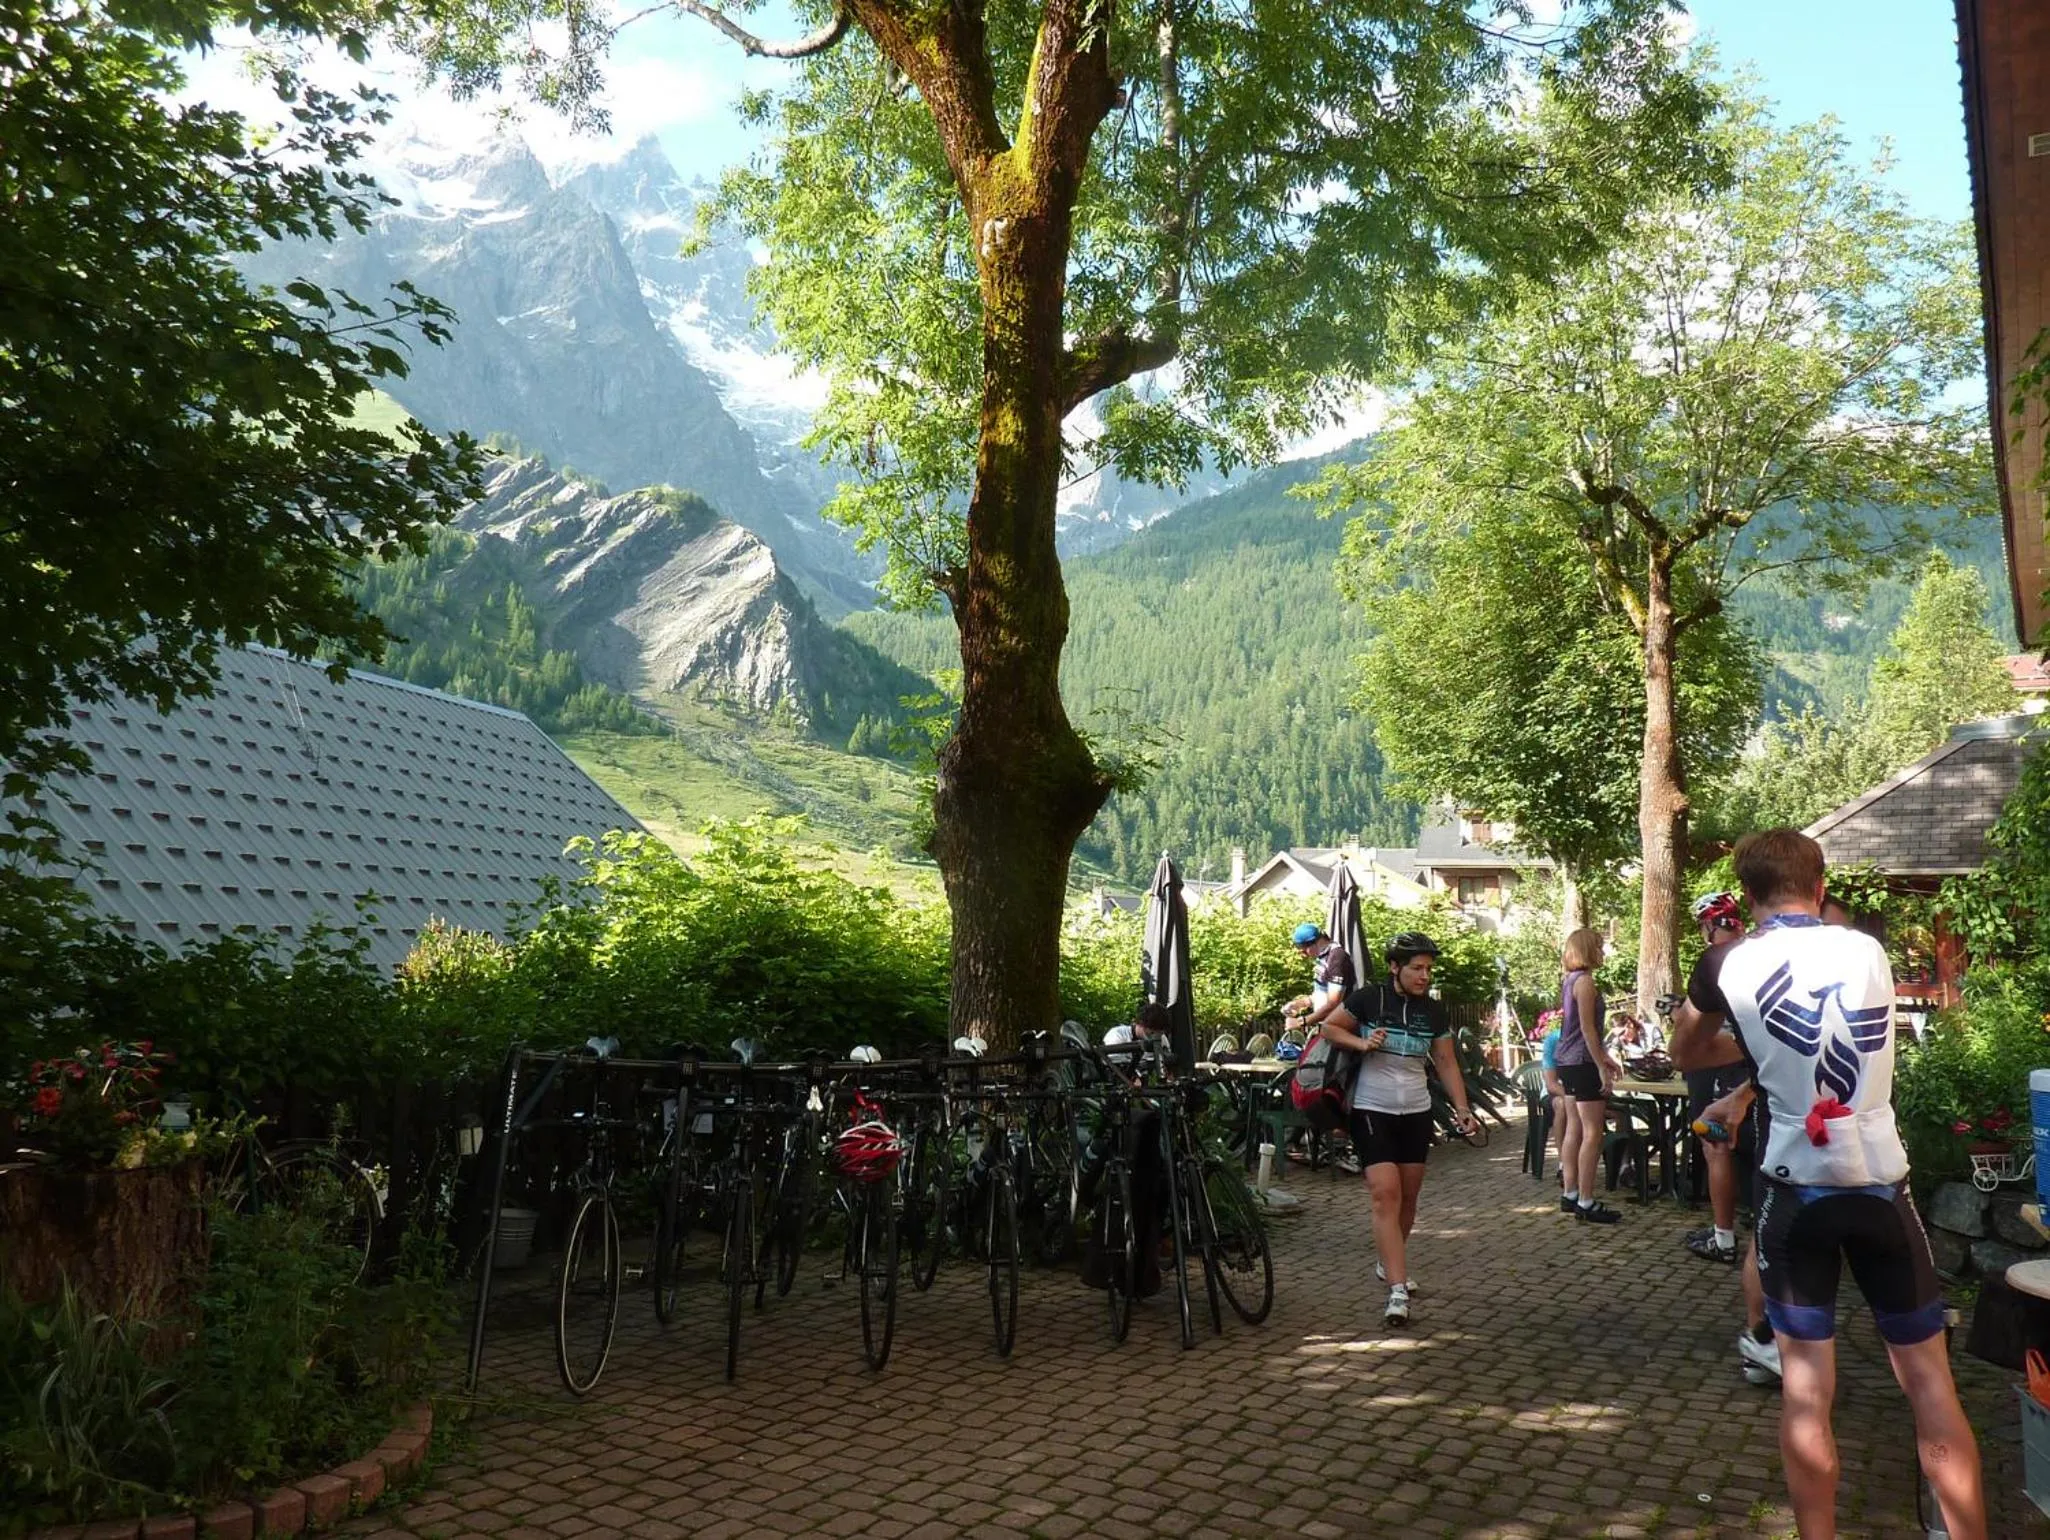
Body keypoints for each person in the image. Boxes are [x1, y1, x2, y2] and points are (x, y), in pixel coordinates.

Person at [1671, 830, 1984, 1540]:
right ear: (1820, 887)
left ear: (1746, 898)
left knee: (1809, 1397)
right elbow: (1825, 1039)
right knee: (1932, 1388)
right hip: (1880, 1183)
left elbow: (1686, 1050)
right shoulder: (1865, 949)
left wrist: (1742, 1065)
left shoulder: (1727, 960)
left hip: (1796, 1189)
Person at [1317, 932, 1479, 1327]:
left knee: (1408, 1198)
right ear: (1395, 967)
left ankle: (1387, 1262)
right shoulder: (1370, 999)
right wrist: (1362, 1043)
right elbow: (1329, 1029)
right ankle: (1397, 1289)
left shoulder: (1434, 1012)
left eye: (1428, 969)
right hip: (1373, 1107)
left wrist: (1462, 1108)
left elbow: (1445, 1061)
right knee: (1384, 1194)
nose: (1424, 976)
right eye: (1416, 968)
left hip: (1417, 1110)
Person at [1683, 892, 1752, 1270]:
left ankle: (1723, 1238)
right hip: (1753, 1066)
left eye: (1702, 926)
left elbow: (1695, 1030)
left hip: (1722, 1066)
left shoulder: (1715, 961)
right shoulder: (1756, 955)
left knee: (1716, 1146)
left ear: (1712, 925)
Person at [1552, 928, 1623, 1225]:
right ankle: (1586, 1199)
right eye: (1599, 946)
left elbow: (1575, 1029)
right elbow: (1588, 1029)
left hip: (1566, 1060)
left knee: (1574, 1129)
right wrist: (1600, 1066)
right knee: (1593, 1131)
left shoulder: (1569, 981)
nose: (1603, 950)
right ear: (1588, 949)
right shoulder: (1586, 982)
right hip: (1582, 1061)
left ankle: (1570, 1194)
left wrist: (1605, 1056)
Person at [1282, 921, 1361, 1171]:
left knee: (1328, 1086)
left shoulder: (1338, 958)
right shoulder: (1323, 959)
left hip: (1341, 1031)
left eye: (1304, 949)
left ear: (1317, 942)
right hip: (1325, 1030)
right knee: (1305, 1082)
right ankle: (1298, 1141)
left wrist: (1302, 1022)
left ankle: (1343, 1145)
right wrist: (1300, 1003)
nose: (1302, 954)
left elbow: (1334, 1003)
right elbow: (1320, 997)